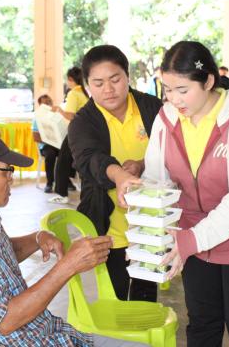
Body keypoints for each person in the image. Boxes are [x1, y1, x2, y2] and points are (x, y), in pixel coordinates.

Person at [0, 127, 146, 346]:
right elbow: (6, 320)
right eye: (7, 171)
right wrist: (68, 266)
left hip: (51, 336)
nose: (11, 179)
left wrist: (37, 239)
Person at [116, 41, 229, 347]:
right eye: (167, 89)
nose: (173, 99)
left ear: (209, 82)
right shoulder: (166, 119)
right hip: (193, 239)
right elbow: (156, 178)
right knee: (202, 323)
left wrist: (189, 239)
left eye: (183, 90)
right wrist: (146, 229)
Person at [68, 45, 163, 302]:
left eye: (115, 79)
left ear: (127, 76)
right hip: (108, 222)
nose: (108, 89)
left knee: (146, 296)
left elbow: (174, 150)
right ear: (87, 86)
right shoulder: (83, 122)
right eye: (98, 83)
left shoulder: (152, 108)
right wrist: (119, 175)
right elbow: (89, 158)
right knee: (116, 296)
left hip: (150, 221)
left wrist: (143, 164)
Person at [48, 67, 89, 204]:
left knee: (62, 161)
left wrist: (59, 110)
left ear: (71, 79)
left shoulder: (74, 93)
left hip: (76, 130)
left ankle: (61, 193)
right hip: (88, 131)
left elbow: (71, 115)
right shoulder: (86, 92)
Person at [32, 94, 61, 193]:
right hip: (46, 145)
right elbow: (35, 136)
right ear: (40, 106)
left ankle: (65, 181)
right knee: (50, 154)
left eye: (49, 102)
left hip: (59, 145)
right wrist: (49, 140)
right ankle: (49, 183)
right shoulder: (37, 118)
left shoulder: (58, 116)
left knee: (68, 152)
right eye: (45, 103)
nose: (48, 105)